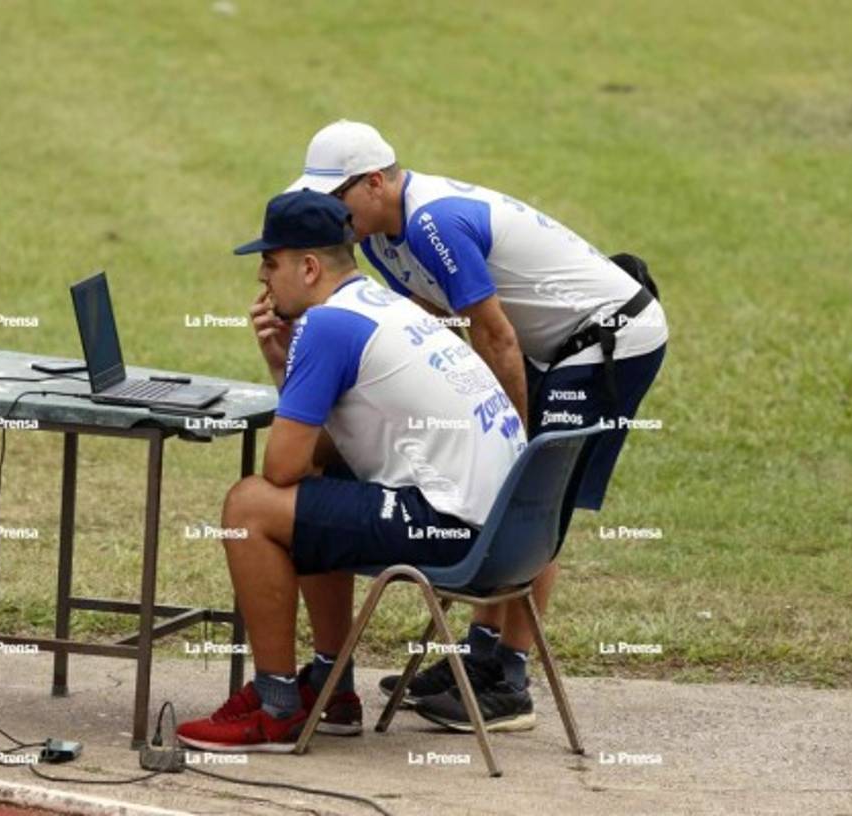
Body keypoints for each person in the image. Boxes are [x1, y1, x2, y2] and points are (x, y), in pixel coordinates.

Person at [284, 120, 668, 730]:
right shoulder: (380, 237)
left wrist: (511, 440)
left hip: (609, 337)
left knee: (536, 497)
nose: (328, 211)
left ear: (376, 183)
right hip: (554, 343)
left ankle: (509, 679)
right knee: (508, 494)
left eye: (336, 197)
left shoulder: (432, 222)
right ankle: (480, 656)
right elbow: (441, 323)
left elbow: (495, 335)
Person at [175, 190, 527, 752]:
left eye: (270, 263)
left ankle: (276, 704)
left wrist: (290, 363)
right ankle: (330, 688)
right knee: (321, 494)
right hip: (511, 534)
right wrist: (283, 363)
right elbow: (319, 458)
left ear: (309, 267)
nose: (264, 281)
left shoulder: (329, 326)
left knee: (250, 505)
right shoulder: (381, 304)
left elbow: (284, 466)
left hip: (458, 532)